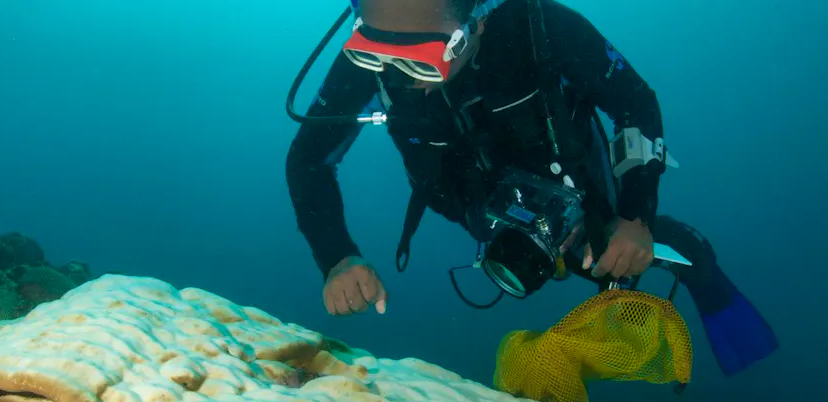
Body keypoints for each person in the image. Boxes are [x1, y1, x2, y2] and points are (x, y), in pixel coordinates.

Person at [284, 0, 778, 376]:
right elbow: (308, 159)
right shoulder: (369, 62)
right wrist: (337, 256)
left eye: (420, 60)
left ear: (476, 22)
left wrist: (636, 216)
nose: (394, 74)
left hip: (581, 204)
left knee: (613, 260)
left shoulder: (539, 27)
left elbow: (635, 101)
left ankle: (711, 289)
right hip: (475, 205)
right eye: (375, 53)